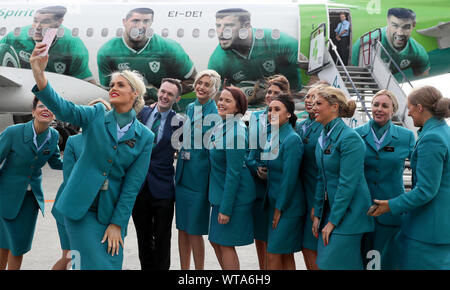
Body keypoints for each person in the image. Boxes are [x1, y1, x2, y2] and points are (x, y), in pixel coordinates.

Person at [30, 42, 154, 270]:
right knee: (90, 265)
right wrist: (39, 74)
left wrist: (117, 224)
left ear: (134, 93)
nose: (113, 87)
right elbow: (64, 108)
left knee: (110, 266)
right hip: (80, 211)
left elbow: (132, 185)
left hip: (110, 214)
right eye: (112, 84)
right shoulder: (96, 114)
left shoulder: (145, 137)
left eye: (121, 84)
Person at [370, 86, 450, 270]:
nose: (409, 113)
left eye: (410, 108)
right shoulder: (443, 133)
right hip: (437, 226)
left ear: (420, 107)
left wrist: (391, 205)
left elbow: (426, 190)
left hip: (428, 229)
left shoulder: (432, 139)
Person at [311, 86, 374, 270]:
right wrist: (318, 213)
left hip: (351, 215)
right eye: (314, 103)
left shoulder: (349, 139)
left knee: (332, 264)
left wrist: (332, 221)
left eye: (319, 103)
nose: (314, 107)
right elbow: (320, 178)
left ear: (334, 107)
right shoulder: (323, 136)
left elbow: (348, 184)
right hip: (333, 212)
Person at [0, 97, 63, 270]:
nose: (46, 109)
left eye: (50, 107)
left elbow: (56, 162)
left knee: (18, 245)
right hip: (6, 196)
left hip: (30, 200)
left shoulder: (53, 136)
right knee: (4, 243)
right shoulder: (13, 132)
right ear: (33, 111)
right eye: (41, 106)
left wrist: (81, 161)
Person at [355, 90, 415, 270]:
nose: (379, 109)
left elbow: (419, 170)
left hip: (390, 210)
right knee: (361, 261)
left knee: (386, 262)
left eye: (384, 106)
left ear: (393, 110)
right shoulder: (356, 134)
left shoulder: (406, 137)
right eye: (375, 105)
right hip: (361, 209)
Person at [51, 98, 111, 270]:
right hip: (71, 208)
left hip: (95, 211)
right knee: (71, 256)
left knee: (86, 257)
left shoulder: (110, 143)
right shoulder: (74, 141)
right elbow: (69, 180)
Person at [132, 78, 183, 270]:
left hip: (163, 189)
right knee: (143, 238)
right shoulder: (141, 114)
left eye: (170, 94)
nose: (164, 96)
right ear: (158, 91)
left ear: (176, 98)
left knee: (162, 239)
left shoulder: (179, 122)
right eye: (163, 91)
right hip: (139, 187)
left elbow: (187, 150)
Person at [97, 7, 197, 103]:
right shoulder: (107, 52)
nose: (140, 26)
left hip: (162, 111)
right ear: (124, 22)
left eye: (146, 21)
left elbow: (194, 80)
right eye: (135, 21)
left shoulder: (169, 48)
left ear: (151, 23)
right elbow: (107, 91)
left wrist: (162, 93)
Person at [175, 70, 221, 270]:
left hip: (200, 179)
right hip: (183, 175)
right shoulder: (191, 107)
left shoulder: (216, 114)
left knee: (194, 230)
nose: (201, 87)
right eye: (199, 82)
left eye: (207, 84)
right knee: (182, 229)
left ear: (214, 90)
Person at [208, 86, 256, 270]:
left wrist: (226, 209)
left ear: (238, 107)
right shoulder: (221, 125)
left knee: (225, 244)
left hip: (233, 199)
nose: (221, 103)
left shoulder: (236, 132)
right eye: (221, 99)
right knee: (216, 241)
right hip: (219, 194)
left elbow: (233, 174)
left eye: (228, 101)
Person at [246, 74, 290, 269]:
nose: (270, 95)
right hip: (258, 186)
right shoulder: (255, 117)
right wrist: (256, 167)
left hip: (278, 186)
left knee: (278, 243)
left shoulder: (288, 122)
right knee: (260, 239)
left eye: (275, 93)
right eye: (269, 92)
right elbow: (248, 151)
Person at [208, 8, 303, 97]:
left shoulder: (282, 42)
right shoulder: (217, 61)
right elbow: (214, 97)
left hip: (292, 102)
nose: (221, 32)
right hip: (247, 108)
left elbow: (314, 76)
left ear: (246, 26)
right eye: (218, 26)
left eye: (228, 26)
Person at [261, 93, 305, 270]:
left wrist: (280, 208)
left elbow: (289, 178)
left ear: (289, 114)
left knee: (273, 255)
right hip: (274, 201)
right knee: (285, 255)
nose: (272, 112)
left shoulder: (292, 139)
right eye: (270, 109)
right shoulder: (273, 135)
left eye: (277, 109)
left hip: (287, 206)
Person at [0, 5, 94, 82]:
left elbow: (86, 82)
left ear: (59, 23)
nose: (37, 27)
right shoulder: (15, 37)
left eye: (45, 22)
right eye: (35, 21)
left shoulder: (73, 45)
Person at [295, 84, 327, 270]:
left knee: (314, 246)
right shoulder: (302, 125)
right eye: (307, 96)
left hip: (316, 193)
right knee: (306, 247)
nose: (309, 100)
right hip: (302, 193)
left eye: (314, 98)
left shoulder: (323, 127)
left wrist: (318, 203)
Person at [352, 8, 430, 77]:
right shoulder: (364, 44)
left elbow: (424, 86)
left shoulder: (418, 52)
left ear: (413, 25)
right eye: (395, 26)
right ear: (388, 22)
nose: (400, 33)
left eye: (406, 27)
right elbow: (350, 75)